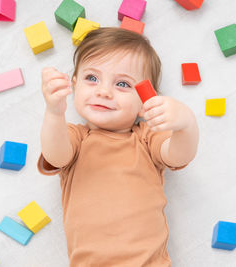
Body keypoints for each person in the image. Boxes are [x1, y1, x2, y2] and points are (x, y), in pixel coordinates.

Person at [37, 27, 199, 266]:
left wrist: (186, 124)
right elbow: (56, 155)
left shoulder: (146, 138)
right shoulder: (75, 138)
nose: (103, 92)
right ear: (74, 86)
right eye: (91, 78)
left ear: (146, 104)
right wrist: (53, 112)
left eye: (122, 84)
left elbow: (177, 156)